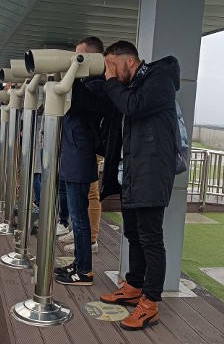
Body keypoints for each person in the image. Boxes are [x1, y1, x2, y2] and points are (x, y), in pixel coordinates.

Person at [97, 40, 179, 331]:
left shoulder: (160, 79)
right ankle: (134, 286)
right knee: (132, 232)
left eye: (112, 65)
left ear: (129, 61)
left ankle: (150, 303)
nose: (110, 72)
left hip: (152, 172)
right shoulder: (131, 85)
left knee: (151, 239)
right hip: (133, 172)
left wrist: (110, 82)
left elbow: (133, 107)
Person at [53, 36, 107, 286]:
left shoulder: (97, 86)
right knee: (77, 216)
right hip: (73, 156)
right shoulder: (89, 84)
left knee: (79, 218)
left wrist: (71, 70)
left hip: (80, 157)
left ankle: (84, 271)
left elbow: (76, 98)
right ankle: (79, 264)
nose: (76, 60)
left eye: (80, 56)